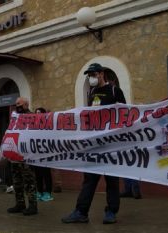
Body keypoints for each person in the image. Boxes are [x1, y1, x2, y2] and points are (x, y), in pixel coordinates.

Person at [62, 63, 124, 224]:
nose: (91, 78)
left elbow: (125, 115)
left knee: (112, 179)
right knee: (89, 179)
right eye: (89, 75)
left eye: (93, 74)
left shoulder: (114, 91)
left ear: (102, 74)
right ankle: (81, 212)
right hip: (94, 145)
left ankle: (111, 211)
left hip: (111, 144)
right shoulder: (91, 92)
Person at [6, 97, 39, 216]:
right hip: (15, 153)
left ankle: (32, 205)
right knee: (17, 180)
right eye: (16, 104)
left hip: (26, 155)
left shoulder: (32, 116)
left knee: (29, 181)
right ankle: (20, 203)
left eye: (19, 104)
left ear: (26, 104)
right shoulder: (14, 117)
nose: (17, 106)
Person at [33, 107, 54, 202]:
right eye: (36, 113)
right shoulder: (33, 126)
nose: (37, 114)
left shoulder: (48, 125)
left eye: (39, 113)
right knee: (38, 174)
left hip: (45, 153)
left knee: (46, 174)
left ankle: (48, 193)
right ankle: (39, 191)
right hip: (36, 154)